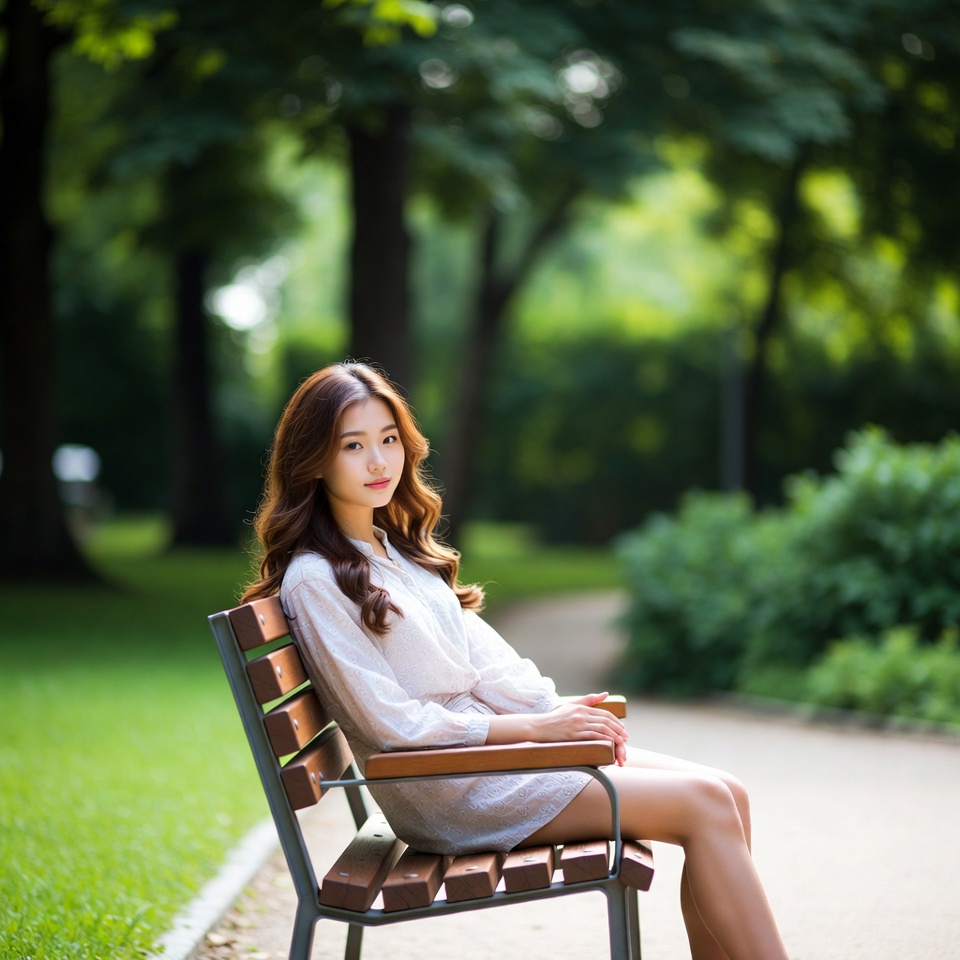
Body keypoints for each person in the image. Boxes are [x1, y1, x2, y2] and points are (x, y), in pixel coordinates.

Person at [242, 361, 789, 960]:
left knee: (728, 792)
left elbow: (490, 663)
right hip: (450, 787)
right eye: (354, 446)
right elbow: (390, 727)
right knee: (705, 805)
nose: (380, 462)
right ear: (314, 459)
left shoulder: (391, 549)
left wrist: (554, 710)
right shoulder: (316, 579)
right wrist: (534, 728)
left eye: (389, 439)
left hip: (489, 763)